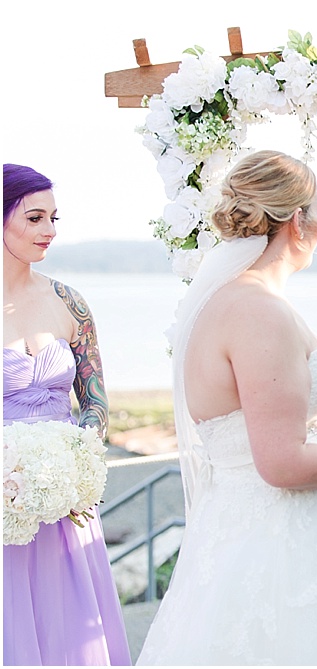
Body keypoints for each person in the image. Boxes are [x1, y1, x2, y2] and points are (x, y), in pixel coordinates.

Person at [136, 150, 317, 665]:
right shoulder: (258, 312)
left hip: (251, 530)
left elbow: (297, 432)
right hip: (281, 550)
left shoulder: (233, 300)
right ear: (298, 220)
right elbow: (282, 463)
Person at [2, 163, 131, 666]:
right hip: (2, 502)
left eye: (54, 218)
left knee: (70, 634)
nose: (49, 231)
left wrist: (80, 455)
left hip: (64, 504)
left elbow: (95, 398)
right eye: (34, 218)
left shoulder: (69, 303)